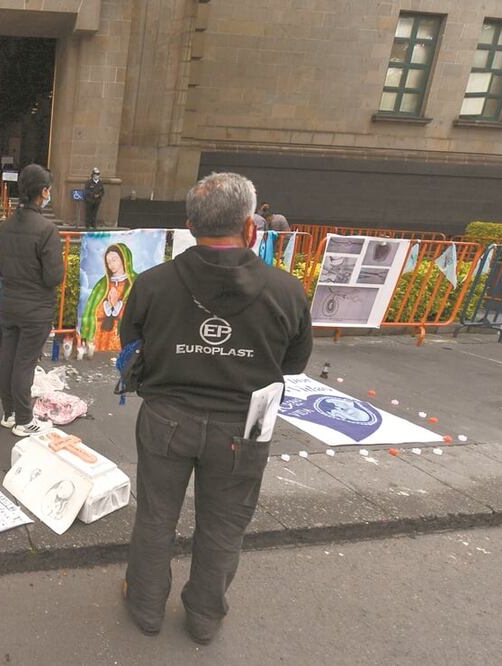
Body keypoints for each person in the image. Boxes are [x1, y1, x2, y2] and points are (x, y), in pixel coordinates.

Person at [119, 172, 312, 644]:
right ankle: (205, 618)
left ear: (190, 225)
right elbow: (294, 361)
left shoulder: (154, 283)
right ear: (250, 227)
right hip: (244, 427)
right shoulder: (286, 290)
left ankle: (145, 605)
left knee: (156, 516)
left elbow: (131, 344)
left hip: (167, 417)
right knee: (225, 524)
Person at [0, 163, 65, 436]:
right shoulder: (47, 229)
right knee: (24, 363)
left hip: (10, 304)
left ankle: (9, 414)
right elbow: (53, 277)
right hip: (36, 310)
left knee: (8, 360)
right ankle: (24, 420)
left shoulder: (6, 226)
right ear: (43, 191)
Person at [78, 243, 137, 353]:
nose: (111, 265)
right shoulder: (102, 284)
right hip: (100, 334)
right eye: (108, 262)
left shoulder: (135, 282)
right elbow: (92, 308)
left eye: (114, 260)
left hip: (121, 335)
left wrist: (118, 305)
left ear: (124, 258)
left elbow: (138, 307)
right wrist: (107, 305)